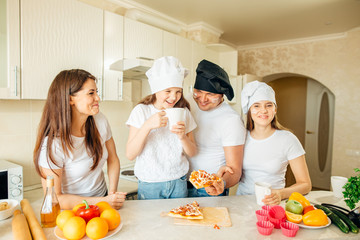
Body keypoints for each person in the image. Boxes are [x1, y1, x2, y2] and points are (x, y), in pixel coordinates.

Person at [33, 69, 126, 210]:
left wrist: (111, 194)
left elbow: (112, 159)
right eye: (91, 93)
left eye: (96, 92)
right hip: (73, 210)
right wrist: (104, 202)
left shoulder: (100, 120)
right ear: (70, 99)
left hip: (103, 197)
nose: (98, 98)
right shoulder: (53, 144)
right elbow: (55, 197)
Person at [126, 56, 197, 200]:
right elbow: (130, 154)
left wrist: (182, 136)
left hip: (179, 181)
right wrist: (148, 126)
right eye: (168, 91)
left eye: (178, 91)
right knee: (151, 223)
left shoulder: (184, 112)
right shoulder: (141, 111)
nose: (174, 97)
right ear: (156, 89)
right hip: (150, 183)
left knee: (178, 222)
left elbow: (193, 152)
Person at [236, 80, 312, 205]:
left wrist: (281, 193)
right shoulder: (240, 137)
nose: (264, 110)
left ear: (275, 109)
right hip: (242, 203)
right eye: (257, 106)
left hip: (274, 204)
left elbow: (305, 184)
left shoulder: (288, 139)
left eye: (269, 105)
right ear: (249, 110)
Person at [187, 59, 246, 197]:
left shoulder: (231, 120)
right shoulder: (189, 101)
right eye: (199, 92)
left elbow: (235, 170)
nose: (202, 99)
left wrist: (221, 183)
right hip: (180, 183)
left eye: (211, 94)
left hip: (207, 189)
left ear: (222, 95)